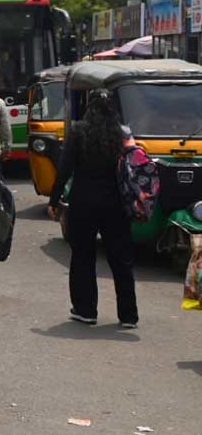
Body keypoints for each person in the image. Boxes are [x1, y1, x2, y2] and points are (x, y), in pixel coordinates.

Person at [48, 89, 138, 328]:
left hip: (83, 203)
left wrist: (54, 200)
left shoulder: (78, 131)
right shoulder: (122, 134)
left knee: (82, 256)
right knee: (121, 259)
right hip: (116, 204)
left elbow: (65, 168)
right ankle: (128, 315)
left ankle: (86, 310)